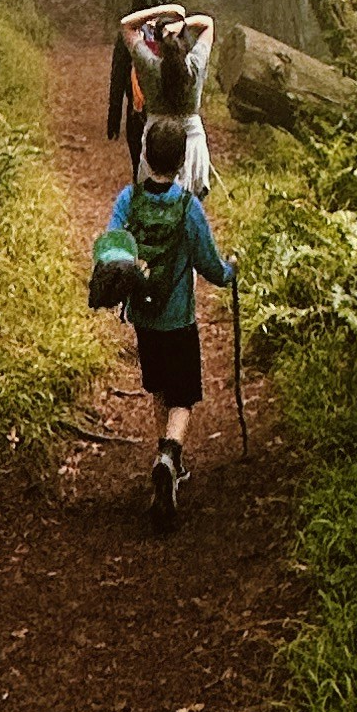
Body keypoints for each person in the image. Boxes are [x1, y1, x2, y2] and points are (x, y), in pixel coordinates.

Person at [111, 112, 234, 526]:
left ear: (145, 154)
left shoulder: (128, 199)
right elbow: (209, 264)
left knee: (159, 391)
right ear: (183, 162)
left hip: (145, 319)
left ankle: (166, 465)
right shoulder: (188, 207)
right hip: (179, 320)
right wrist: (232, 271)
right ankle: (169, 454)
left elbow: (113, 247)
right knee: (183, 399)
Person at [116, 0, 215, 195]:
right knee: (190, 209)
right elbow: (208, 24)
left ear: (158, 44)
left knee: (154, 204)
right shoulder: (195, 65)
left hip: (156, 142)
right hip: (192, 143)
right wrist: (182, 23)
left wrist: (165, 11)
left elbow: (126, 24)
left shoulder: (150, 67)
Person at [104, 0, 169, 160]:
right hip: (166, 113)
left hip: (137, 111)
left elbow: (118, 75)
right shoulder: (174, 28)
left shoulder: (128, 32)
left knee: (139, 165)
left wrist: (114, 117)